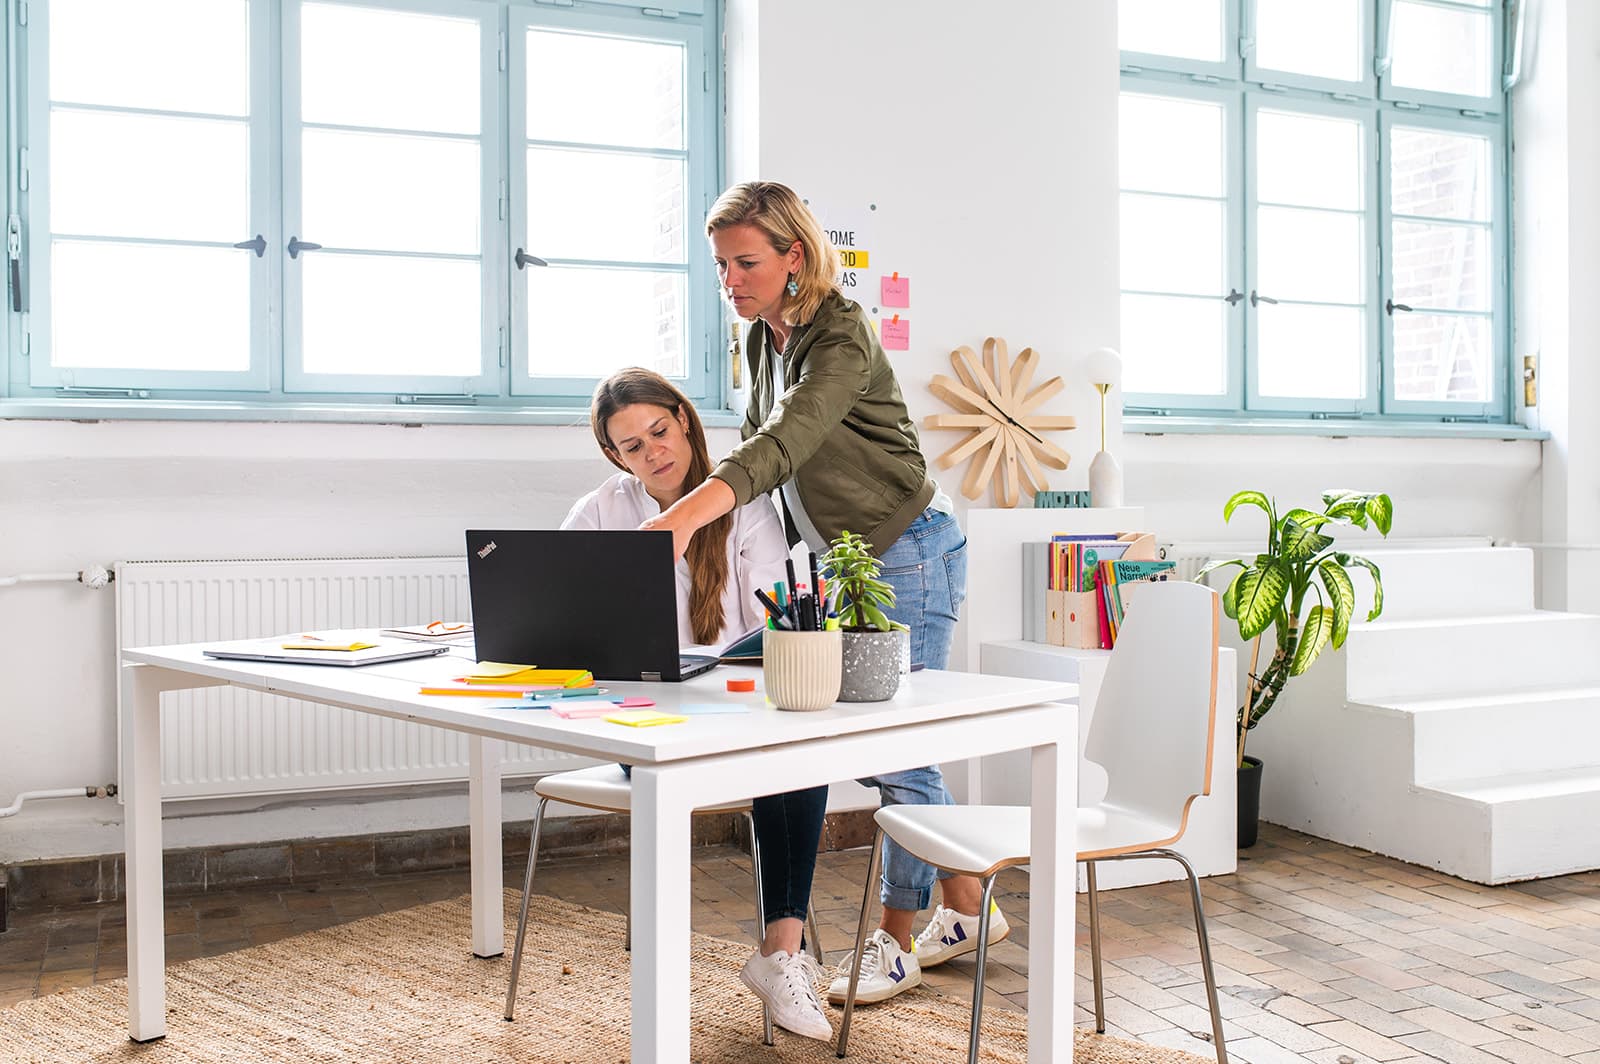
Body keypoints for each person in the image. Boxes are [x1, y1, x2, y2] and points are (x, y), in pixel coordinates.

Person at [641, 181, 1006, 1025]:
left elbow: (787, 442)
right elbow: (759, 453)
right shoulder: (759, 340)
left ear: (794, 255)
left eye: (746, 262)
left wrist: (679, 521)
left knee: (898, 748)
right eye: (722, 265)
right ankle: (967, 900)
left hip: (904, 550)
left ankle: (900, 939)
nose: (730, 280)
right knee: (874, 745)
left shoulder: (839, 334)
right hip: (838, 566)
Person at [563, 367, 835, 1040]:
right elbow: (559, 594)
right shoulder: (602, 510)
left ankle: (780, 955)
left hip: (734, 712)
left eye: (659, 431)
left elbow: (771, 624)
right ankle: (675, 975)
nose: (653, 452)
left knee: (798, 756)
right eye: (632, 446)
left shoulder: (742, 505)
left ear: (684, 420)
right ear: (614, 456)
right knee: (751, 765)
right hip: (648, 721)